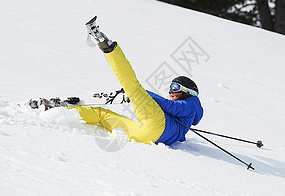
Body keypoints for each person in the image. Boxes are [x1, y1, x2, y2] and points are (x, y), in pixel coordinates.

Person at [68, 16, 203, 146]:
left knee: (132, 86)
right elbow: (179, 133)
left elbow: (170, 106)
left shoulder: (191, 104)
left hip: (157, 122)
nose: (171, 91)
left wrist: (142, 94)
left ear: (188, 92)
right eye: (171, 87)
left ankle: (105, 44)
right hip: (146, 135)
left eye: (175, 87)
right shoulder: (185, 121)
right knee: (102, 116)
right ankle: (68, 111)